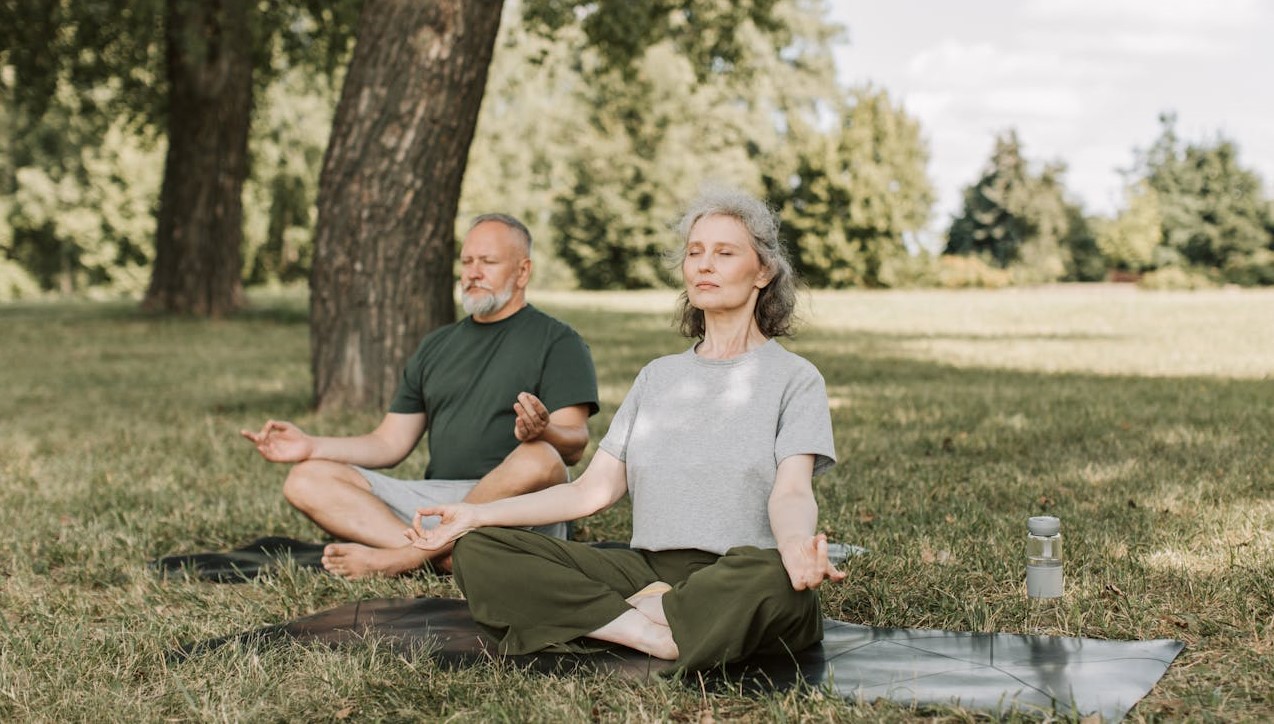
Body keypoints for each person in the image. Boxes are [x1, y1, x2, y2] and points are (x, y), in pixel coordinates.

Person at [407, 189, 843, 672]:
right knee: (481, 549)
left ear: (763, 271)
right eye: (695, 252)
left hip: (738, 571)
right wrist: (474, 515)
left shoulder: (795, 379)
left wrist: (795, 547)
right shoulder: (657, 376)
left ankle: (626, 616)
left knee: (780, 585)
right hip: (647, 571)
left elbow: (792, 492)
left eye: (724, 253)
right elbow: (590, 492)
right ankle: (650, 632)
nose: (704, 265)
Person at [241, 213, 599, 579]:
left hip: (515, 505)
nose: (473, 273)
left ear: (522, 272)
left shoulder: (559, 341)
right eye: (467, 262)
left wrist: (545, 431)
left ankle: (403, 559)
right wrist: (310, 446)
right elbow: (389, 443)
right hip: (439, 503)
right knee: (306, 479)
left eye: (488, 262)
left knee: (540, 456)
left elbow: (572, 447)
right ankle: (443, 558)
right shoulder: (437, 345)